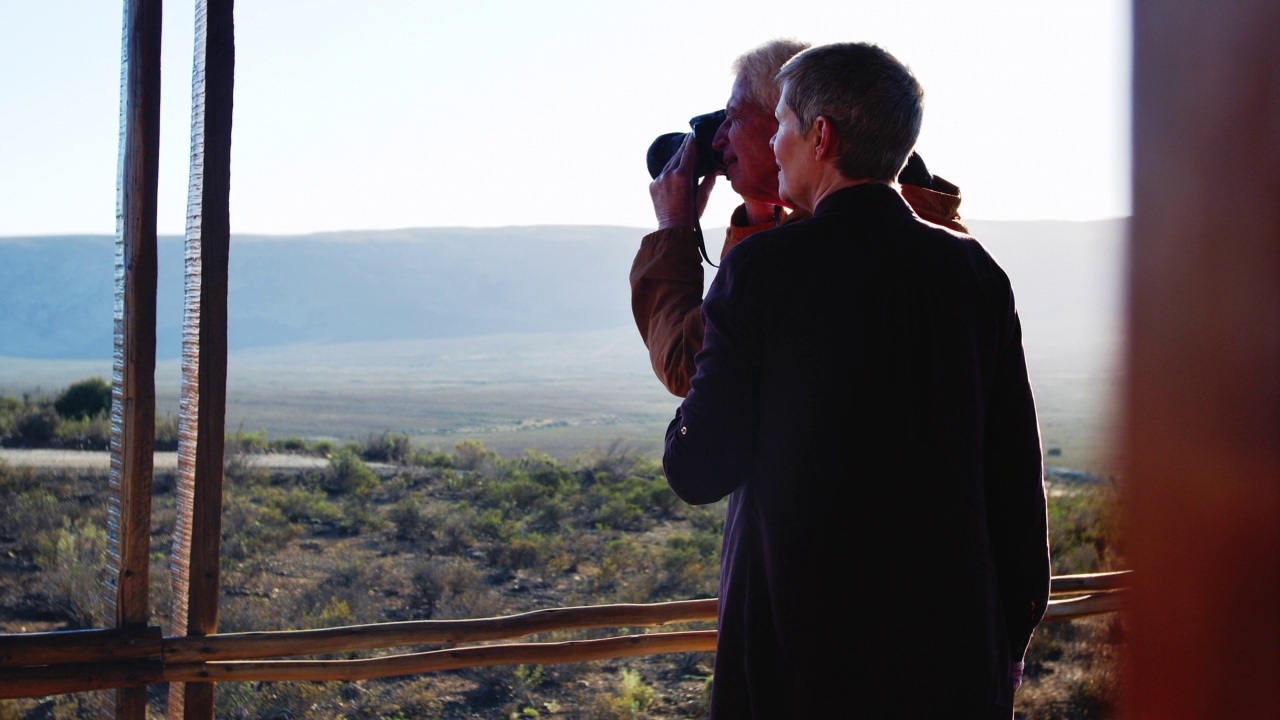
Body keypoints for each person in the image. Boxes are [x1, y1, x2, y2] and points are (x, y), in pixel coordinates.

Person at [662, 42, 1050, 718]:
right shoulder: (976, 275)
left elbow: (699, 468)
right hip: (951, 659)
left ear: (822, 136)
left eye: (781, 125)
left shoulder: (761, 274)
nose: (775, 145)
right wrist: (1006, 641)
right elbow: (1016, 481)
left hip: (794, 658)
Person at [631, 38, 968, 398]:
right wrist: (758, 215)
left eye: (735, 118)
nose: (718, 142)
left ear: (800, 122)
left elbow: (689, 366)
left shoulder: (786, 261)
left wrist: (673, 228)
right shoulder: (963, 255)